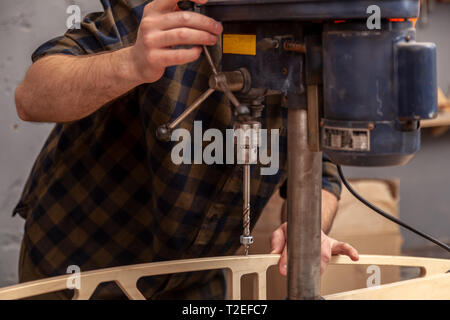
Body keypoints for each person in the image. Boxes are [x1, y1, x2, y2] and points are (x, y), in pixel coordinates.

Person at [14, 0, 359, 299]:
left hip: (196, 284)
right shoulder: (164, 13)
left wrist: (308, 225)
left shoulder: (317, 42)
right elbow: (31, 97)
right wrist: (130, 64)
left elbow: (320, 166)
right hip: (79, 270)